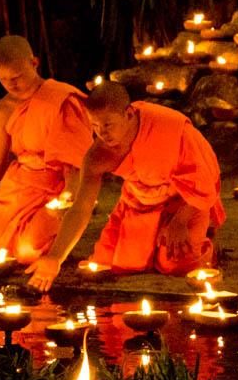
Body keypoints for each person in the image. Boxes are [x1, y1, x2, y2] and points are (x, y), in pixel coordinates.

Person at [27, 82, 225, 291]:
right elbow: (81, 208)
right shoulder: (97, 156)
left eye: (108, 124)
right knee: (114, 263)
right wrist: (55, 257)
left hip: (185, 200)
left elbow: (205, 177)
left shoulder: (170, 128)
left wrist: (180, 221)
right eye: (94, 126)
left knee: (175, 264)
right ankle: (154, 247)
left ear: (129, 114)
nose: (101, 133)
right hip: (138, 201)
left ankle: (207, 240)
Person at [0, 35, 93, 266]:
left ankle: (54, 239)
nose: (12, 84)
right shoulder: (3, 110)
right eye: (4, 79)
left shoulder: (59, 100)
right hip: (18, 189)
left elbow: (74, 165)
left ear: (34, 63)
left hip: (55, 189)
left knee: (26, 250)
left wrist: (67, 200)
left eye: (17, 77)